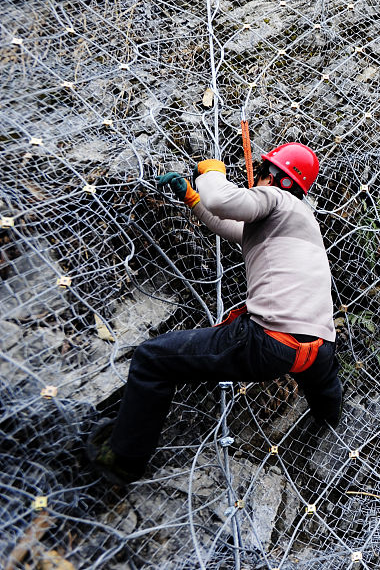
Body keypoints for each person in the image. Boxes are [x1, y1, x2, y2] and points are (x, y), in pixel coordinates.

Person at [87, 143, 341, 484]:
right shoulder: (301, 221)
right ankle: (330, 428)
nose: (258, 179)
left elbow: (222, 200)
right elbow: (230, 226)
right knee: (327, 397)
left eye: (264, 173)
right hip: (319, 350)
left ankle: (123, 462)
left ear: (279, 180)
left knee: (151, 359)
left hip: (267, 342)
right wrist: (193, 198)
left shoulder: (278, 200)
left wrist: (212, 171)